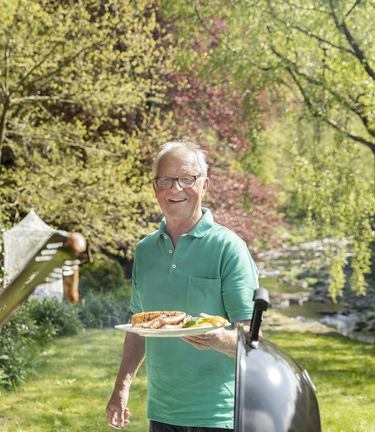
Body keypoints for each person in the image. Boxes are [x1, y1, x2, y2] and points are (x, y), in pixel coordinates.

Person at [105, 141, 260, 432]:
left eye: (187, 178)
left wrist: (220, 340)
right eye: (166, 179)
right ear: (155, 187)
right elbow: (139, 331)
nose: (176, 188)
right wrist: (121, 389)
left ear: (204, 186)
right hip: (162, 414)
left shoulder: (229, 248)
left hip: (219, 416)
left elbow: (254, 339)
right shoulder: (145, 251)